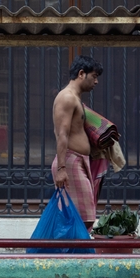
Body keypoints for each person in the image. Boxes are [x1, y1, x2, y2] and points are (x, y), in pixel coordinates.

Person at [52, 55, 105, 228]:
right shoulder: (67, 97)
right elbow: (62, 134)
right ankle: (69, 246)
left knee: (83, 217)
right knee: (82, 218)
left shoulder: (75, 98)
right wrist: (61, 169)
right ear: (81, 74)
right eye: (94, 76)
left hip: (78, 161)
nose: (96, 81)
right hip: (70, 162)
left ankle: (76, 246)